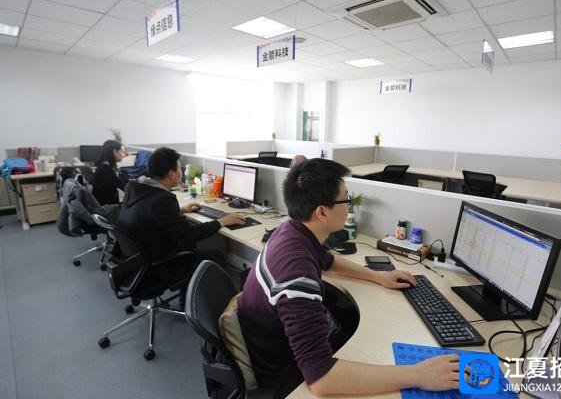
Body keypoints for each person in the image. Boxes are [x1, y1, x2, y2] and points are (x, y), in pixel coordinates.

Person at [237, 158, 462, 397]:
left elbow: (328, 261)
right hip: (283, 370)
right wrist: (420, 375)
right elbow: (322, 379)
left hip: (276, 341)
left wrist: (378, 277)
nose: (350, 205)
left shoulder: (292, 230)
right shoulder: (297, 276)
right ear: (322, 212)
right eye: (346, 198)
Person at [117, 147, 245, 275]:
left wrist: (179, 210)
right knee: (217, 255)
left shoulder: (134, 187)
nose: (181, 171)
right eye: (179, 168)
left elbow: (147, 212)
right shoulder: (162, 199)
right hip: (159, 265)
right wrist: (222, 221)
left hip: (139, 259)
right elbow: (189, 234)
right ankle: (201, 288)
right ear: (171, 174)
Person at [92, 140, 127, 205]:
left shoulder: (105, 166)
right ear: (115, 152)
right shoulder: (105, 169)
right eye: (121, 151)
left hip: (108, 203)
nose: (123, 154)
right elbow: (124, 187)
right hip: (106, 207)